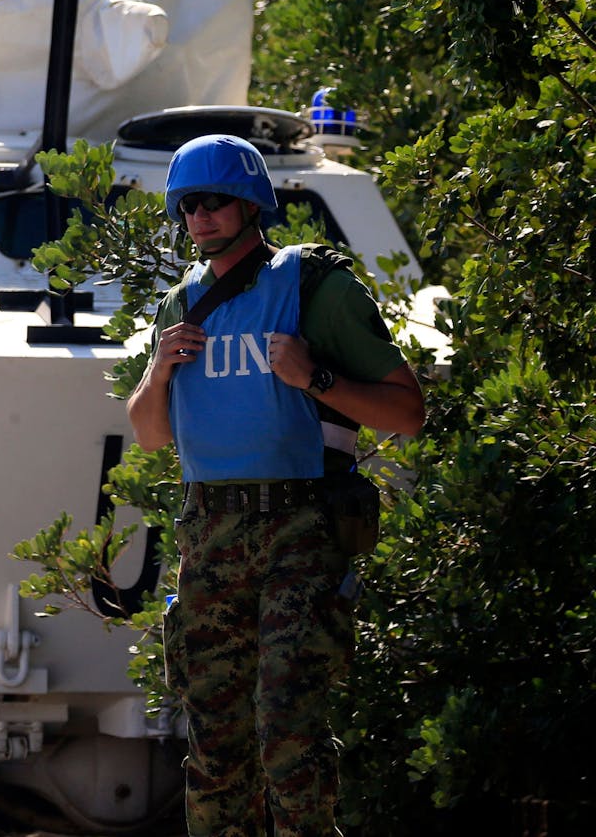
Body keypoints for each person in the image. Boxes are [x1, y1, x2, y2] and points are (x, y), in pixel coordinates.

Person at [127, 134, 425, 835]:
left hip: (298, 529)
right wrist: (159, 371)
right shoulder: (180, 306)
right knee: (213, 739)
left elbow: (407, 412)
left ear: (253, 203)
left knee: (290, 729)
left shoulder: (316, 288)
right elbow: (149, 433)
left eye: (216, 201)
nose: (201, 216)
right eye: (188, 204)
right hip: (210, 534)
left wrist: (316, 378)